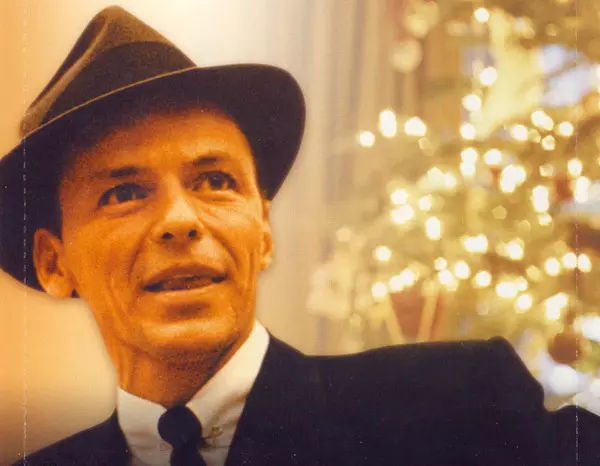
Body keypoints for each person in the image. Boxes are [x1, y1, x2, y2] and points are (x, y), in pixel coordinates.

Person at [1, 6, 599, 466]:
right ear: (54, 263)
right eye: (124, 192)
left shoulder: (458, 404)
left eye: (215, 181)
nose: (181, 220)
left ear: (263, 230)